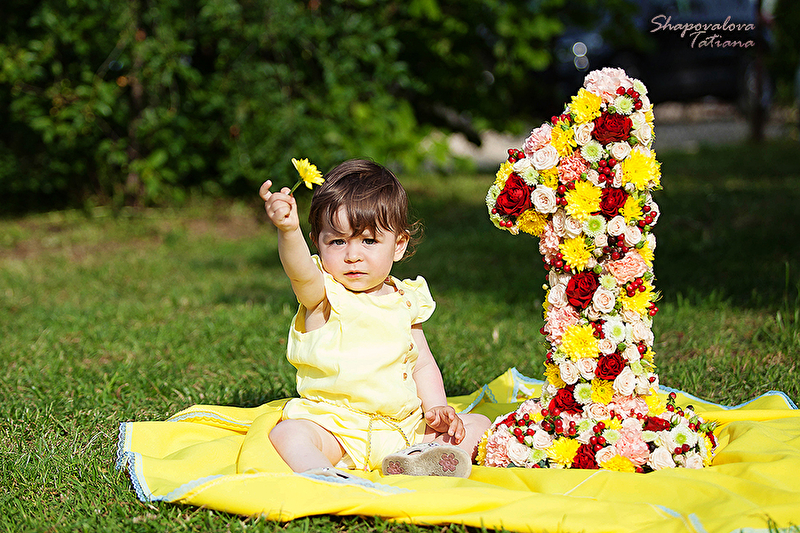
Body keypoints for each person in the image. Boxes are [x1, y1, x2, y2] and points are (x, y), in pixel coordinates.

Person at [259, 159, 491, 477]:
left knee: (479, 424)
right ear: (317, 243)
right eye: (337, 241)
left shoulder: (406, 298)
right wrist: (288, 230)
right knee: (289, 433)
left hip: (403, 426)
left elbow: (422, 363)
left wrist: (437, 406)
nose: (353, 255)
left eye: (369, 241)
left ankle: (418, 459)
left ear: (398, 245)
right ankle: (324, 474)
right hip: (338, 428)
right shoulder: (323, 293)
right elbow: (300, 272)